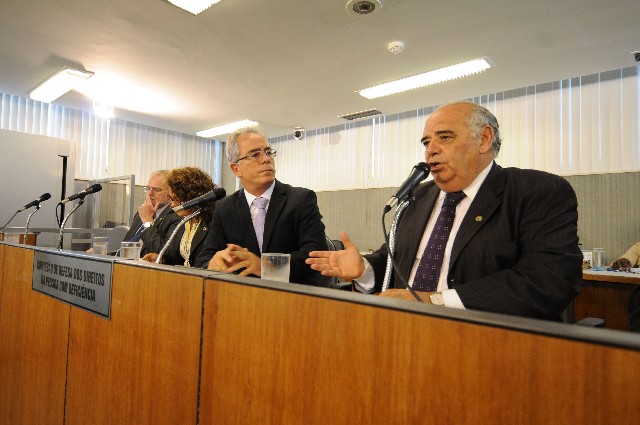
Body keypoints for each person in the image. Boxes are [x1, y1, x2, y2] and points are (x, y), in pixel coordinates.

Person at [306, 101, 582, 320]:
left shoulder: (535, 190)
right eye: (426, 142)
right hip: (403, 331)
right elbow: (393, 262)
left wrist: (433, 301)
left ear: (485, 139)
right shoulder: (418, 196)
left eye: (445, 137)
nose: (430, 151)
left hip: (489, 342)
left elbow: (549, 281)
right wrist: (364, 269)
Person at [194, 126, 329, 287]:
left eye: (268, 152)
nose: (266, 159)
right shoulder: (224, 208)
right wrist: (213, 263)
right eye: (255, 154)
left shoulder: (300, 199)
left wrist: (266, 267)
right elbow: (204, 258)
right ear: (236, 169)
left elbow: (316, 254)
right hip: (242, 296)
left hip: (292, 294)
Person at [142, 167, 216, 267]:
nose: (172, 205)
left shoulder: (212, 222)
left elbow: (204, 260)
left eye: (174, 199)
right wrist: (164, 259)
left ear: (189, 197)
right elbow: (178, 256)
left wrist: (147, 222)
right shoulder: (186, 220)